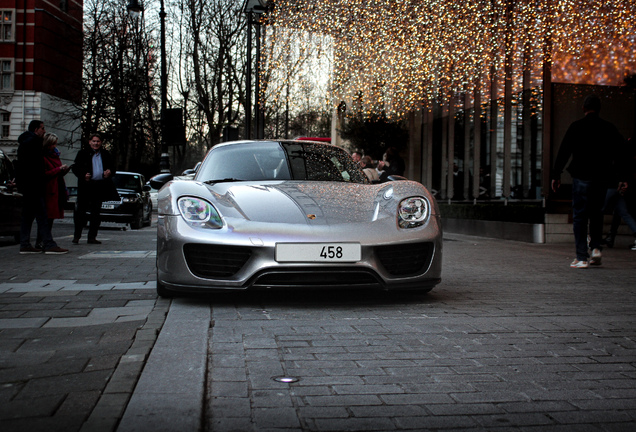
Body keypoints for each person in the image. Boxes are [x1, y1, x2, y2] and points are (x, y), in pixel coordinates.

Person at [551, 94, 628, 269]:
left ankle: (581, 257)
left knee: (580, 216)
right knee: (596, 213)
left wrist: (556, 175)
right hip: (602, 177)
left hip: (581, 176)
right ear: (599, 109)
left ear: (584, 109)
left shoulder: (576, 127)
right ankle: (595, 248)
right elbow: (621, 154)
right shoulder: (609, 128)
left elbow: (564, 151)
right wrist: (623, 178)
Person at [15, 120, 69, 254]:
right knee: (42, 216)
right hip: (35, 185)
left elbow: (21, 166)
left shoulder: (23, 143)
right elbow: (37, 169)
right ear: (36, 129)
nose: (44, 131)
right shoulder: (35, 143)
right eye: (42, 129)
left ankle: (25, 244)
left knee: (27, 216)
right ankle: (48, 244)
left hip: (27, 186)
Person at [72, 133, 118, 244]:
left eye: (98, 141)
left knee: (96, 213)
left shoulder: (105, 154)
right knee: (81, 212)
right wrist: (83, 175)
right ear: (89, 142)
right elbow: (75, 167)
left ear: (101, 143)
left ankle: (92, 237)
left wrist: (110, 172)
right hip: (86, 186)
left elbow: (113, 168)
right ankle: (77, 236)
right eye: (93, 141)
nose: (95, 143)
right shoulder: (83, 153)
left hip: (99, 186)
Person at [35, 133, 71, 249]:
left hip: (56, 187)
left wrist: (62, 170)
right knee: (46, 217)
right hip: (49, 189)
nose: (55, 146)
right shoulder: (44, 157)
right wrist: (58, 169)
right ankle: (42, 241)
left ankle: (45, 240)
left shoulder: (55, 155)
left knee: (50, 218)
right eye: (53, 144)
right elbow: (44, 174)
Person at [601, 138, 636, 250]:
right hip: (619, 185)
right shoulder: (627, 156)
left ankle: (595, 238)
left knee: (599, 210)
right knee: (624, 213)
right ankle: (609, 237)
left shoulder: (612, 155)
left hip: (609, 185)